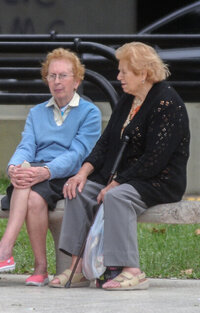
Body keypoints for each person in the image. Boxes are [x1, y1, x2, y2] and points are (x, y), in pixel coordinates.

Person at [49, 42, 190, 290]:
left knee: (117, 197)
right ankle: (78, 267)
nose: (118, 77)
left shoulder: (168, 103)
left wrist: (116, 183)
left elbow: (154, 158)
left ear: (143, 73)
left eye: (125, 72)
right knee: (77, 191)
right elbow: (106, 142)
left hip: (158, 179)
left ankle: (131, 270)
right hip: (122, 176)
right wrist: (82, 173)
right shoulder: (128, 99)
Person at [0, 48, 102, 287]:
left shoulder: (90, 113)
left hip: (65, 174)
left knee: (32, 193)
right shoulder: (37, 112)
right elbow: (26, 146)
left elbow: (78, 155)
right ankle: (31, 264)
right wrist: (13, 166)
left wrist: (46, 171)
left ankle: (10, 253)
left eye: (63, 75)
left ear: (77, 80)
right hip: (35, 172)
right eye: (52, 76)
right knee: (27, 183)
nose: (56, 81)